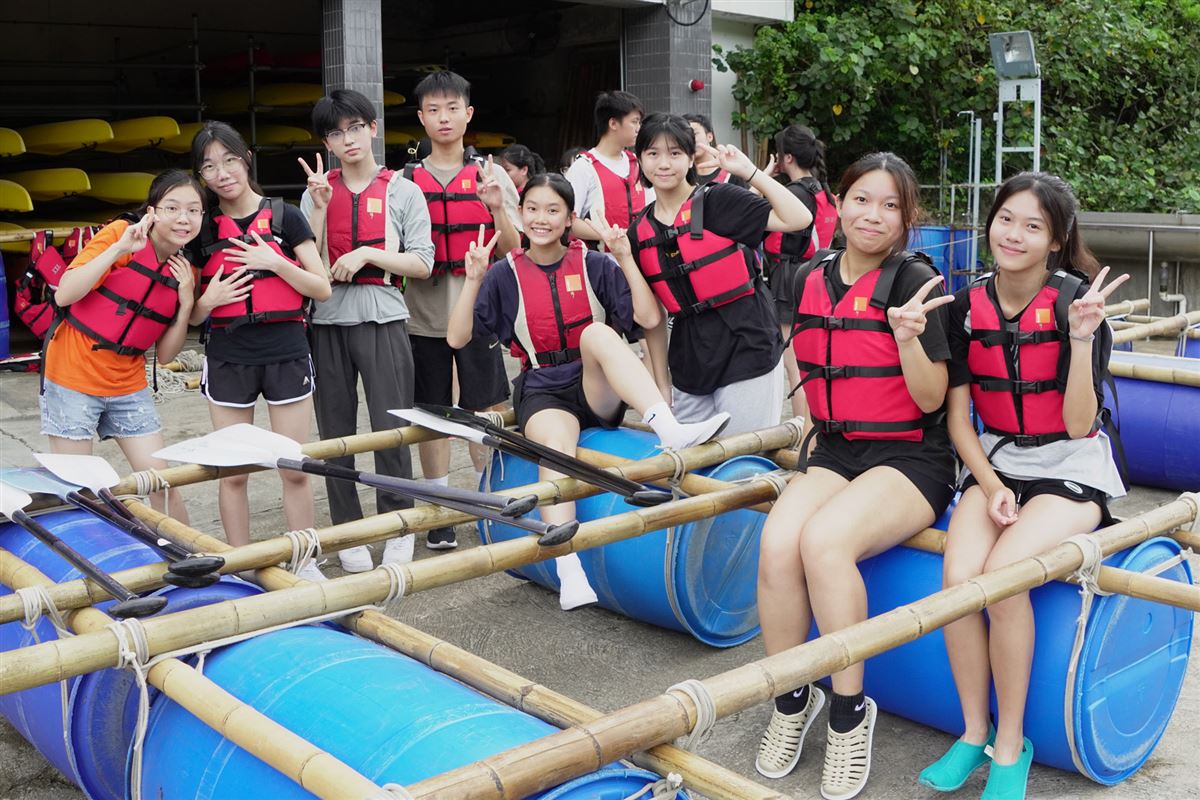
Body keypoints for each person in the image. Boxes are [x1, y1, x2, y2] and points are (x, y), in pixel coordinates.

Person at [754, 152, 956, 800]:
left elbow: (931, 399)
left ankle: (848, 711)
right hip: (838, 449)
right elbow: (807, 361)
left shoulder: (916, 282)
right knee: (777, 543)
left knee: (825, 543)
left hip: (911, 456)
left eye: (891, 205)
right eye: (862, 199)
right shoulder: (809, 275)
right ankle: (791, 696)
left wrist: (906, 338)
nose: (874, 215)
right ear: (837, 204)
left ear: (907, 218)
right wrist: (812, 424)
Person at [919, 173, 1127, 800]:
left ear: (1056, 240)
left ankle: (1011, 744)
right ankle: (973, 731)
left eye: (1033, 226)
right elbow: (959, 421)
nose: (1014, 234)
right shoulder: (965, 306)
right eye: (1006, 219)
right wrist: (988, 485)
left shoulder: (1076, 305)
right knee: (959, 582)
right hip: (999, 461)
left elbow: (1080, 425)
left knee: (1004, 581)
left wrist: (1082, 340)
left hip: (1071, 466)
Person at [447, 173, 729, 609]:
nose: (541, 219)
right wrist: (473, 279)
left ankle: (669, 430)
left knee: (596, 333)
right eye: (533, 209)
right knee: (555, 450)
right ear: (520, 214)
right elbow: (457, 338)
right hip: (543, 389)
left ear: (569, 218)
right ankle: (568, 566)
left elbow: (649, 319)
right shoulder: (504, 274)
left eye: (553, 210)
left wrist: (624, 257)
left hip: (594, 384)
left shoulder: (594, 264)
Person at [300, 88, 435, 572]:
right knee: (334, 433)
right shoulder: (315, 191)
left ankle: (397, 523)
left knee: (391, 426)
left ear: (373, 129)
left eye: (356, 127)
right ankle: (348, 529)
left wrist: (367, 254)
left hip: (384, 315)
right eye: (336, 133)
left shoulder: (403, 189)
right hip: (327, 320)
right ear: (326, 142)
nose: (348, 139)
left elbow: (423, 262)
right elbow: (305, 261)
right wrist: (318, 207)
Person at [189, 122, 331, 550]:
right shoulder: (201, 228)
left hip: (286, 351)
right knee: (233, 473)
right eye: (209, 166)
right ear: (201, 175)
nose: (222, 173)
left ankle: (305, 558)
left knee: (293, 467)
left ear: (247, 159)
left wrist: (276, 262)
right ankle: (239, 563)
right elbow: (190, 315)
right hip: (228, 356)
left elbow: (321, 287)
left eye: (230, 160)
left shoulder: (286, 217)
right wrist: (209, 300)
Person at [623, 113, 812, 433]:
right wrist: (662, 386)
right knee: (691, 460)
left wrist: (749, 172)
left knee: (743, 455)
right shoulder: (638, 232)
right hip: (689, 360)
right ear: (640, 159)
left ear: (690, 157)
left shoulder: (718, 199)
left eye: (674, 153)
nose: (664, 163)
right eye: (653, 153)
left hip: (747, 344)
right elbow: (653, 321)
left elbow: (799, 218)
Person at [402, 70, 521, 550]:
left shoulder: (492, 176)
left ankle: (490, 501)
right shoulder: (405, 182)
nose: (444, 118)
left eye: (453, 108)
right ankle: (439, 510)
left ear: (469, 114)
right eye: (434, 110)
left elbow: (515, 249)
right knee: (431, 413)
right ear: (421, 118)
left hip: (480, 313)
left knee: (486, 408)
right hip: (421, 314)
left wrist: (497, 208)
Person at [42, 170, 202, 523]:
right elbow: (65, 293)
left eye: (193, 210)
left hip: (128, 383)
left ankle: (189, 552)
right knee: (78, 490)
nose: (183, 218)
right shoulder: (120, 234)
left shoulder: (185, 270)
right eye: (172, 208)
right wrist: (119, 248)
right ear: (152, 211)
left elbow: (165, 355)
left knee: (163, 483)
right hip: (72, 375)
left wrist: (187, 303)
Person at [762, 125, 839, 418]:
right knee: (813, 362)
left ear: (787, 157)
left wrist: (763, 178)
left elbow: (753, 220)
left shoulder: (792, 194)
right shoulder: (822, 189)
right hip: (819, 275)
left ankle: (801, 430)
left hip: (790, 279)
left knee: (795, 366)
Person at [564, 90, 650, 245]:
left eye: (639, 122)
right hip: (602, 256)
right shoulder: (583, 167)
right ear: (613, 124)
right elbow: (569, 220)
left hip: (640, 254)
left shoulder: (639, 162)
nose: (639, 128)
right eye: (634, 122)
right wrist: (607, 235)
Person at [682, 113, 746, 188]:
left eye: (694, 133)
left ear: (709, 137)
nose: (690, 139)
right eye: (685, 135)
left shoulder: (730, 171)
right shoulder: (681, 175)